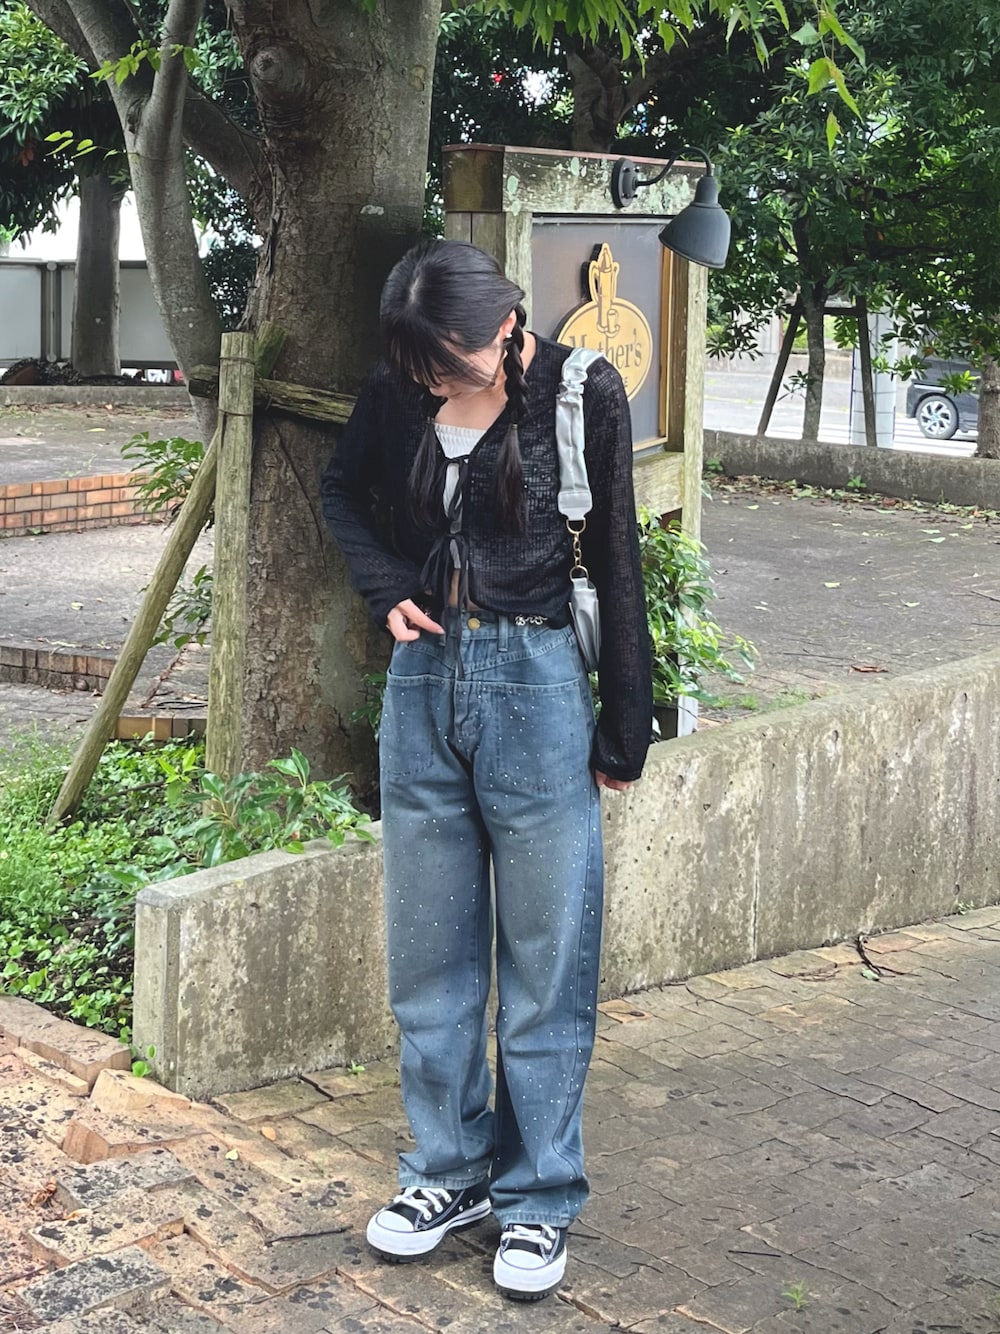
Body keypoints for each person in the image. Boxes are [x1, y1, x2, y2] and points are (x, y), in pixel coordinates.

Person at [321, 238, 651, 1301]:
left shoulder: (580, 391)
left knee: (547, 963)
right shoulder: (400, 386)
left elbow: (615, 551)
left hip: (537, 686)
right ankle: (447, 1172)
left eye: (446, 365)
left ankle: (538, 1194)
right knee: (429, 958)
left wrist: (625, 727)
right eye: (416, 367)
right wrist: (385, 587)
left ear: (505, 326)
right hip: (423, 683)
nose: (429, 384)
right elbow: (341, 493)